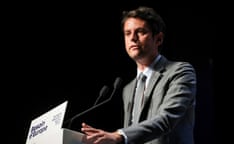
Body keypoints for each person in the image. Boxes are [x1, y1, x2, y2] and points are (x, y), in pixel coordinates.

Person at [81, 6, 197, 144]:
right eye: (127, 33)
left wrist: (119, 135)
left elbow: (166, 119)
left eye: (140, 32)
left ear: (158, 39)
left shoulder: (180, 72)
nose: (133, 38)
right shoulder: (127, 89)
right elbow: (132, 136)